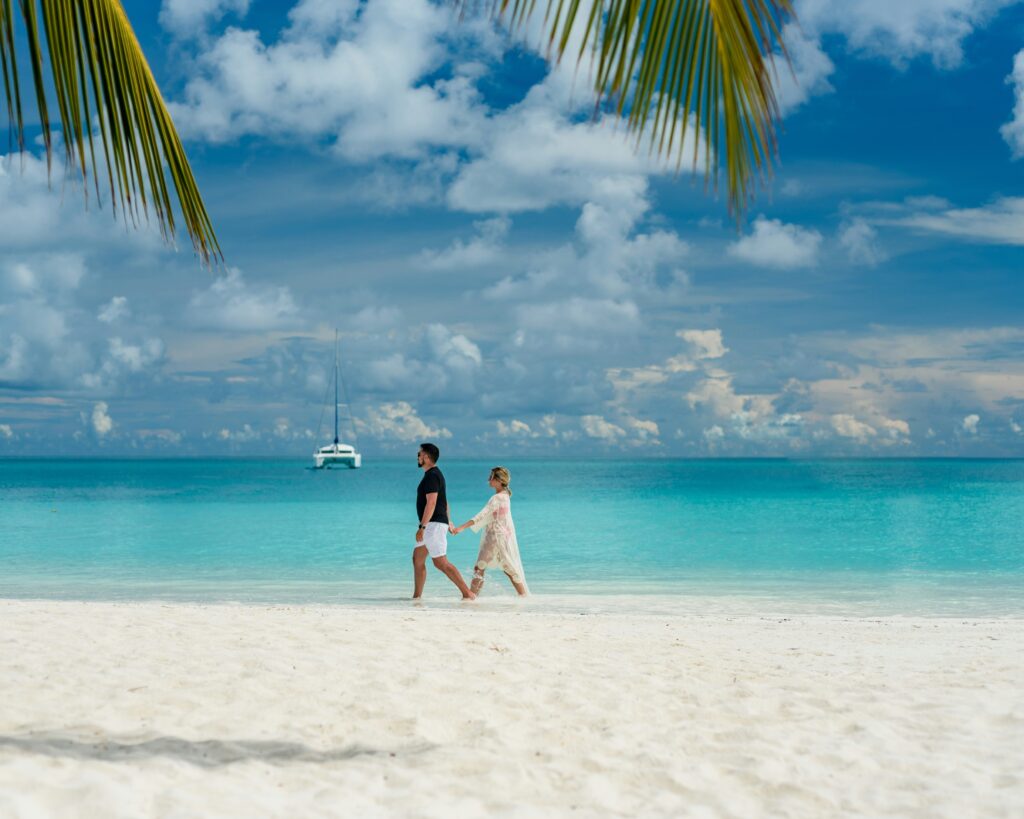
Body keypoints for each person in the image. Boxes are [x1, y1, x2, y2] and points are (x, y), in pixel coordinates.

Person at [451, 466, 528, 596]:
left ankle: (472, 596)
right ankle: (523, 595)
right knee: (507, 568)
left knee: (481, 567)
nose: (488, 480)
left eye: (491, 477)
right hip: (502, 537)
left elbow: (481, 515)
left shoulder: (497, 498)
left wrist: (461, 528)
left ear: (499, 480)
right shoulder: (505, 496)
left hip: (494, 537)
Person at [412, 443, 475, 600]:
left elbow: (432, 503)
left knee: (441, 563)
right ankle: (416, 597)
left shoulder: (432, 476)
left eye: (419, 454)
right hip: (434, 523)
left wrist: (422, 527)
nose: (418, 457)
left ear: (426, 457)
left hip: (432, 525)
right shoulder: (433, 474)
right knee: (417, 559)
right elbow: (445, 502)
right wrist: (449, 521)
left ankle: (468, 594)